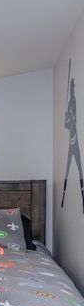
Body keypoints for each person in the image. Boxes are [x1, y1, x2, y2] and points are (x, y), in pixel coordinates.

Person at [61, 74, 84, 213]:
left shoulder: (73, 105)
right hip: (71, 144)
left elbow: (70, 124)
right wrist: (66, 120)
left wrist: (68, 119)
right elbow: (67, 125)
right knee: (67, 171)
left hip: (74, 143)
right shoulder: (69, 113)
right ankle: (64, 196)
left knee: (80, 171)